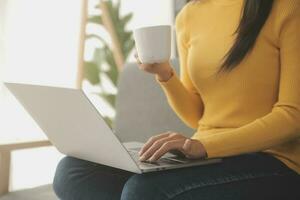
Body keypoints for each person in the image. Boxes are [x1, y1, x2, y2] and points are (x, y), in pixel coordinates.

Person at [53, 0, 300, 199]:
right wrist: (165, 74)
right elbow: (198, 114)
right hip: (208, 156)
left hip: (275, 161)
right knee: (74, 171)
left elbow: (293, 116)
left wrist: (203, 147)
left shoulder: (288, 8)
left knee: (144, 191)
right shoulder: (190, 15)